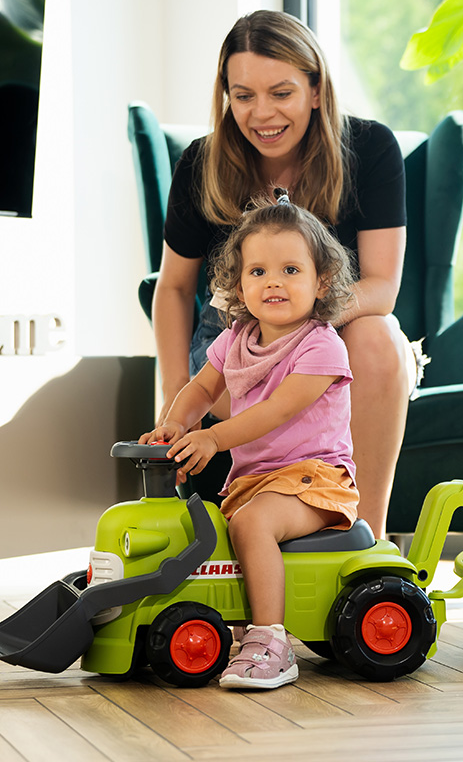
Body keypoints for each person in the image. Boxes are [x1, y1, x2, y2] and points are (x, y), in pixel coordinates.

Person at [154, 9, 417, 540]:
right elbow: (175, 288)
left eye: (281, 93)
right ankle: (269, 532)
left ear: (316, 90)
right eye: (243, 95)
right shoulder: (200, 164)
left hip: (335, 327)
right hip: (237, 340)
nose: (261, 114)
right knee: (260, 390)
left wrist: (303, 326)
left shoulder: (370, 149)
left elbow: (382, 287)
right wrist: (176, 393)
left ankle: (367, 541)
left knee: (379, 336)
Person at [141, 192, 359, 689]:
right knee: (207, 528)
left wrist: (213, 438)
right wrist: (178, 423)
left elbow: (276, 410)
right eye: (257, 272)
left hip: (316, 481)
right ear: (238, 284)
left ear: (321, 281)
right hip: (257, 480)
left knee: (253, 524)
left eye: (290, 270)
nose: (273, 282)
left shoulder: (322, 344)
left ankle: (271, 642)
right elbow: (200, 388)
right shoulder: (235, 338)